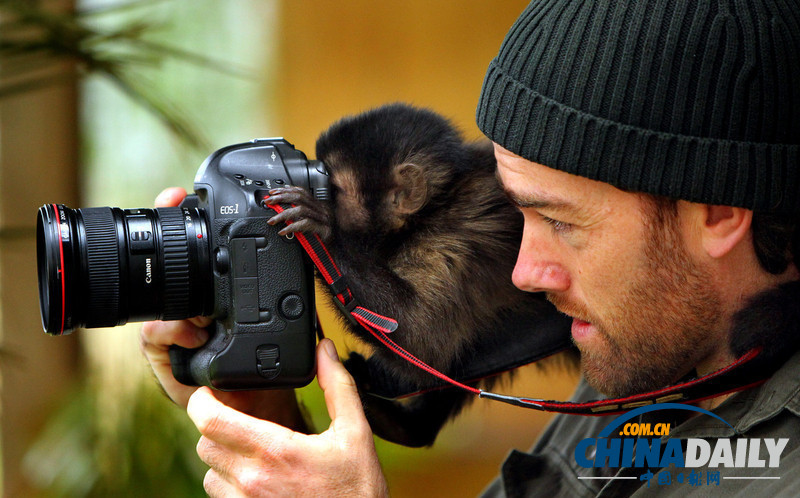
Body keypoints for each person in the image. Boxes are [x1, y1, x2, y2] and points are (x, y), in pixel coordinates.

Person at [141, 0, 800, 496]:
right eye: (519, 212)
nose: (524, 271)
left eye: (562, 222)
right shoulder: (641, 362)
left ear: (717, 212)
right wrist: (272, 420)